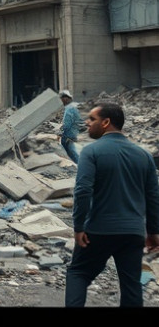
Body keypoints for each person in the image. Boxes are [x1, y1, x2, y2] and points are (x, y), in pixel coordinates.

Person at [65, 101, 159, 307]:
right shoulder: (144, 155)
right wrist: (153, 232)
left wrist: (78, 226)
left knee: (78, 272)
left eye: (92, 119)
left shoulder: (91, 152)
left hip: (98, 230)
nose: (87, 122)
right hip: (133, 233)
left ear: (106, 122)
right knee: (131, 284)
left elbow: (82, 190)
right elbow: (153, 197)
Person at [58, 89, 83, 164]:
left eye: (61, 99)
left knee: (72, 153)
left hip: (68, 135)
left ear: (65, 98)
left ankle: (81, 166)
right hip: (73, 133)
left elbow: (67, 124)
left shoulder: (69, 109)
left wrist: (60, 132)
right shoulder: (72, 107)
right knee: (71, 152)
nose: (61, 101)